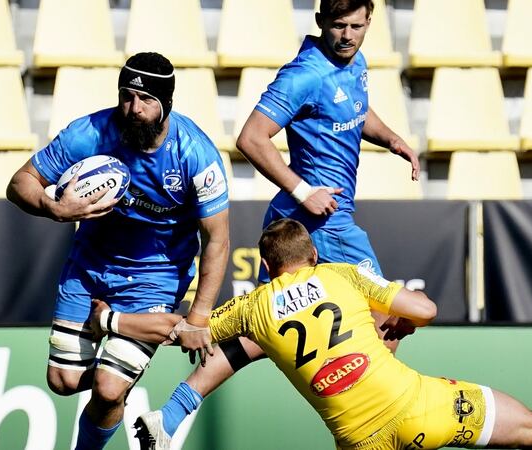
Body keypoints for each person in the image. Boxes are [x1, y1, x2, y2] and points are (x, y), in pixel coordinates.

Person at [151, 1, 422, 444]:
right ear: (321, 23)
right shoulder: (304, 74)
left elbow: (355, 108)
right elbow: (251, 137)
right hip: (319, 224)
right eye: (339, 26)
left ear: (370, 23)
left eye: (356, 26)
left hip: (309, 220)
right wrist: (303, 192)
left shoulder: (354, 62)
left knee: (264, 327)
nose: (348, 35)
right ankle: (375, 424)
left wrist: (392, 140)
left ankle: (172, 413)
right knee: (390, 313)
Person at [92, 218, 532, 450]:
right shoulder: (341, 275)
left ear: (267, 268)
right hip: (416, 406)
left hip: (358, 439)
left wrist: (111, 321)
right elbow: (425, 308)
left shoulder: (251, 308)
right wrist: (397, 315)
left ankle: (171, 415)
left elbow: (187, 334)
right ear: (313, 256)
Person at [6, 52, 229, 450]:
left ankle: (115, 378)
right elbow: (21, 181)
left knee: (108, 390)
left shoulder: (196, 154)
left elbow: (217, 239)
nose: (134, 109)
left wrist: (198, 317)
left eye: (146, 101)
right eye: (127, 96)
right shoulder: (90, 132)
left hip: (155, 277)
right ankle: (118, 362)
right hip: (89, 266)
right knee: (64, 382)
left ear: (167, 103)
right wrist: (52, 206)